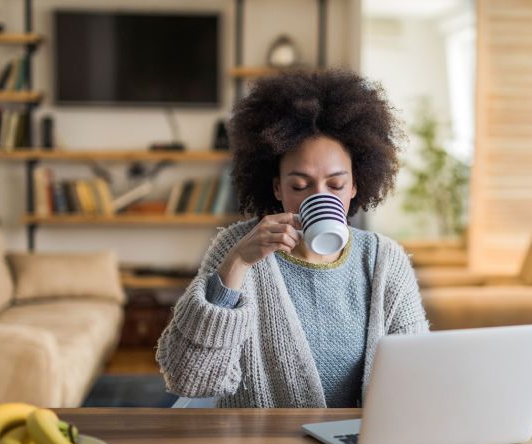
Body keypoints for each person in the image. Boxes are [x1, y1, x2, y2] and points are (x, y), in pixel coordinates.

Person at [155, 70, 429, 408]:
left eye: (336, 185)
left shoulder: (384, 260)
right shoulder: (237, 248)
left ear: (356, 186)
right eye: (300, 186)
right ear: (276, 188)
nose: (319, 195)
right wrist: (236, 265)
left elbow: (417, 377)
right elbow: (190, 377)